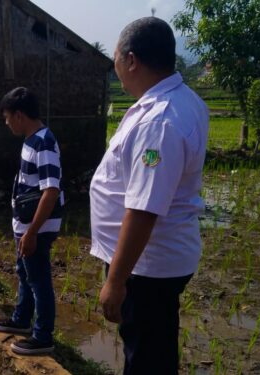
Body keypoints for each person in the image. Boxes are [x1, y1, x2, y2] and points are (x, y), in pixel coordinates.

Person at [89, 17, 209, 375]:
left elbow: (143, 210)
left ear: (131, 60)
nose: (117, 71)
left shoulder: (159, 120)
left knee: (145, 359)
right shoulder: (181, 100)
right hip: (155, 263)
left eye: (115, 61)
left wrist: (115, 282)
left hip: (147, 268)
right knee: (155, 349)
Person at [0, 87, 63, 355]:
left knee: (39, 279)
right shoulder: (31, 139)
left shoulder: (44, 142)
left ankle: (43, 336)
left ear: (19, 115)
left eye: (8, 117)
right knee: (24, 272)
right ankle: (22, 320)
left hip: (37, 228)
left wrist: (32, 232)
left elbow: (51, 190)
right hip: (25, 225)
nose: (7, 123)